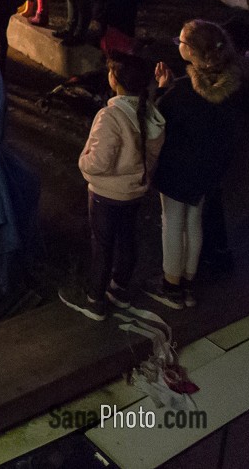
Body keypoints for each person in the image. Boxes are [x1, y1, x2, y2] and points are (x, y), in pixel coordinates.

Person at [146, 20, 246, 310]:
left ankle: (170, 286)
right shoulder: (231, 86)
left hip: (178, 169)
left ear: (191, 52)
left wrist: (164, 90)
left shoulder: (184, 91)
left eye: (181, 42)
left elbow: (158, 119)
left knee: (172, 222)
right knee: (194, 220)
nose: (178, 45)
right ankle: (189, 284)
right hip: (208, 168)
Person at [59, 54, 164, 321]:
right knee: (128, 239)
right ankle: (119, 290)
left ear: (114, 80)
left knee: (103, 245)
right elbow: (150, 155)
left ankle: (94, 300)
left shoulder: (111, 116)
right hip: (134, 192)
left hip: (106, 195)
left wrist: (83, 162)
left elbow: (100, 161)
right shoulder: (149, 112)